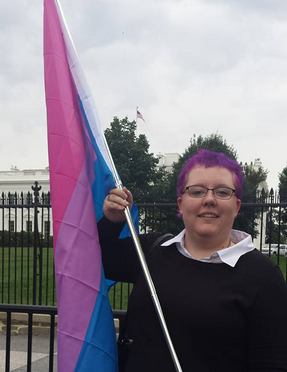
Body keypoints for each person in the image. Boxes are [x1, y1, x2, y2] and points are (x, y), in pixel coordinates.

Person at [98, 149, 287, 372]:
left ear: (236, 207)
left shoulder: (263, 277)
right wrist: (112, 221)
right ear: (180, 204)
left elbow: (271, 364)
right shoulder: (151, 251)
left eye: (222, 192)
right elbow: (97, 262)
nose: (209, 199)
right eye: (197, 191)